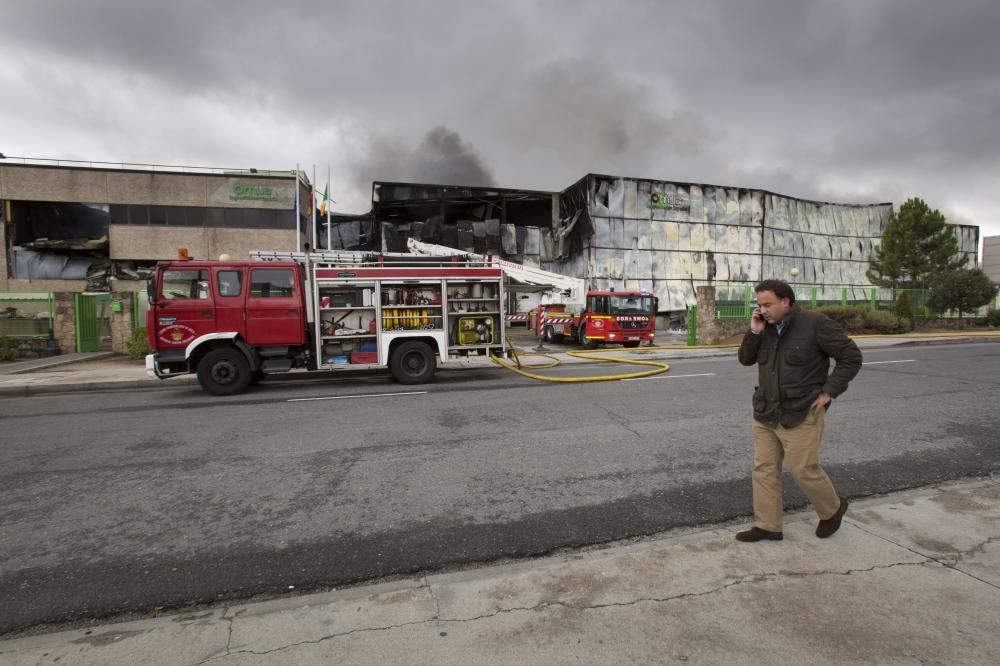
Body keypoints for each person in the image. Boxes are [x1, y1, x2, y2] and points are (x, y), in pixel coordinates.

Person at [736, 279, 862, 542]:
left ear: (786, 301)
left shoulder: (815, 324)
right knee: (764, 469)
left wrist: (829, 391)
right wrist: (755, 332)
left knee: (803, 468)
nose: (763, 310)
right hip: (766, 412)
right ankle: (768, 525)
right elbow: (745, 359)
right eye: (759, 305)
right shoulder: (764, 327)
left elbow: (851, 356)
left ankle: (833, 509)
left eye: (767, 304)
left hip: (802, 410)